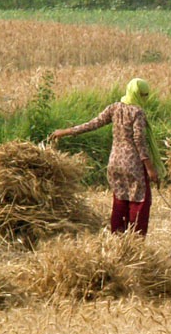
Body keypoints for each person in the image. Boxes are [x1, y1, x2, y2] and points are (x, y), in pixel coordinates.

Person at [50, 77, 161, 236]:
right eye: (144, 94)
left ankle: (117, 237)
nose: (145, 98)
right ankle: (134, 243)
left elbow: (92, 123)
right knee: (139, 202)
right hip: (133, 164)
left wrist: (66, 132)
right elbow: (139, 140)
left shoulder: (114, 108)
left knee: (120, 199)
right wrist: (150, 168)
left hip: (115, 162)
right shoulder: (137, 112)